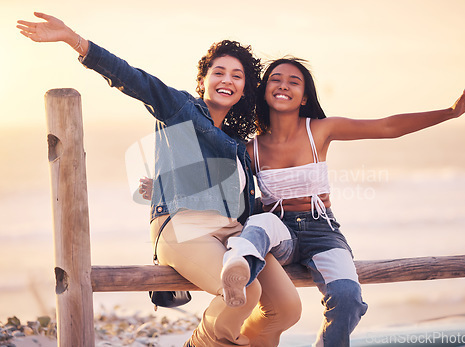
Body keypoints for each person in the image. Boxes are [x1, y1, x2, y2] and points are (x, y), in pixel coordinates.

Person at [17, 13, 302, 346]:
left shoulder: (238, 145)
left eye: (237, 76)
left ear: (244, 89)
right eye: (218, 72)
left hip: (235, 233)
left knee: (287, 307)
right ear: (203, 81)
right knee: (245, 289)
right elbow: (133, 78)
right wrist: (74, 41)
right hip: (182, 228)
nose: (227, 80)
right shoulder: (180, 107)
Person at [219, 57, 465, 346]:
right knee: (262, 222)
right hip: (279, 233)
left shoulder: (319, 130)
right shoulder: (250, 149)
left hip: (322, 231)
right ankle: (237, 271)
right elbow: (231, 194)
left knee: (348, 298)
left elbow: (387, 127)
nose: (283, 85)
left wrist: (450, 112)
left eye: (293, 82)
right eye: (276, 79)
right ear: (263, 90)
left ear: (304, 97)